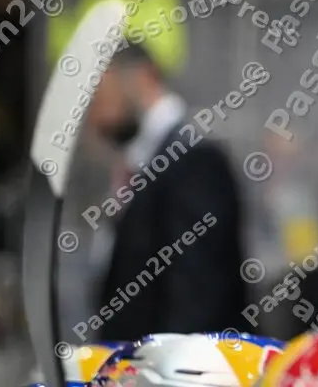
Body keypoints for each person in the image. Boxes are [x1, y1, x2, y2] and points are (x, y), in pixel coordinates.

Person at [85, 42, 247, 340]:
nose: (94, 117)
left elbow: (197, 297)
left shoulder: (192, 161)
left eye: (101, 96)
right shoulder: (141, 162)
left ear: (143, 77)